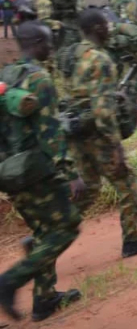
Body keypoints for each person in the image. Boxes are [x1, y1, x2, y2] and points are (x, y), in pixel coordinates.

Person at [0, 22, 85, 322]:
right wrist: (71, 172)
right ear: (37, 42)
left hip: (8, 171)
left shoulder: (4, 78)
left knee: (42, 231)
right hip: (37, 171)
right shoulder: (39, 79)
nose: (52, 47)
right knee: (67, 227)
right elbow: (51, 133)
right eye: (49, 42)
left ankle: (45, 298)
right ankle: (10, 281)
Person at [67, 8, 137, 257]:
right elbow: (102, 110)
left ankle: (49, 233)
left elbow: (78, 94)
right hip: (98, 135)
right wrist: (115, 146)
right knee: (127, 182)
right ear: (99, 28)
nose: (111, 28)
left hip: (75, 131)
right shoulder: (100, 60)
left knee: (89, 187)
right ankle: (132, 240)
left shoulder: (70, 55)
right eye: (107, 25)